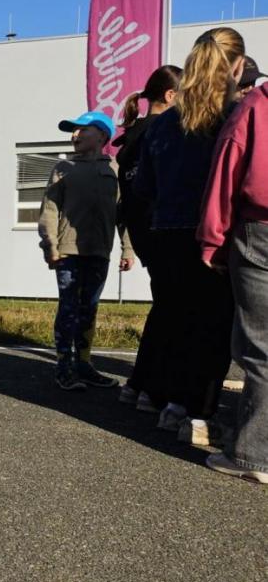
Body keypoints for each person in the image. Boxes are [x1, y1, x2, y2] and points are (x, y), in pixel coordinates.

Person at [133, 27, 243, 433]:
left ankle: (165, 401)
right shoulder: (234, 114)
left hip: (164, 231)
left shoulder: (161, 125)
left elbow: (144, 186)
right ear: (237, 65)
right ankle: (197, 415)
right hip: (212, 232)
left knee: (173, 317)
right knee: (212, 326)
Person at [198, 78, 268, 479]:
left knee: (259, 346)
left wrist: (212, 240)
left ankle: (254, 455)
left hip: (260, 227)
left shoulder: (256, 105)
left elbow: (227, 169)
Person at [38, 111, 133, 390]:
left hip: (99, 252)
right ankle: (64, 366)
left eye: (82, 130)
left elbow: (123, 214)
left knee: (89, 308)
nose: (74, 135)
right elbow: (49, 211)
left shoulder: (115, 171)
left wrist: (128, 249)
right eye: (73, 130)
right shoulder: (63, 169)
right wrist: (50, 245)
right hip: (67, 252)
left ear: (102, 136)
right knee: (69, 307)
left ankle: (83, 362)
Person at [113, 65, 182, 408]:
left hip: (143, 233)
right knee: (173, 310)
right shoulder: (163, 131)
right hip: (162, 231)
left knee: (164, 307)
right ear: (171, 96)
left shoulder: (134, 133)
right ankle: (152, 390)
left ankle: (139, 386)